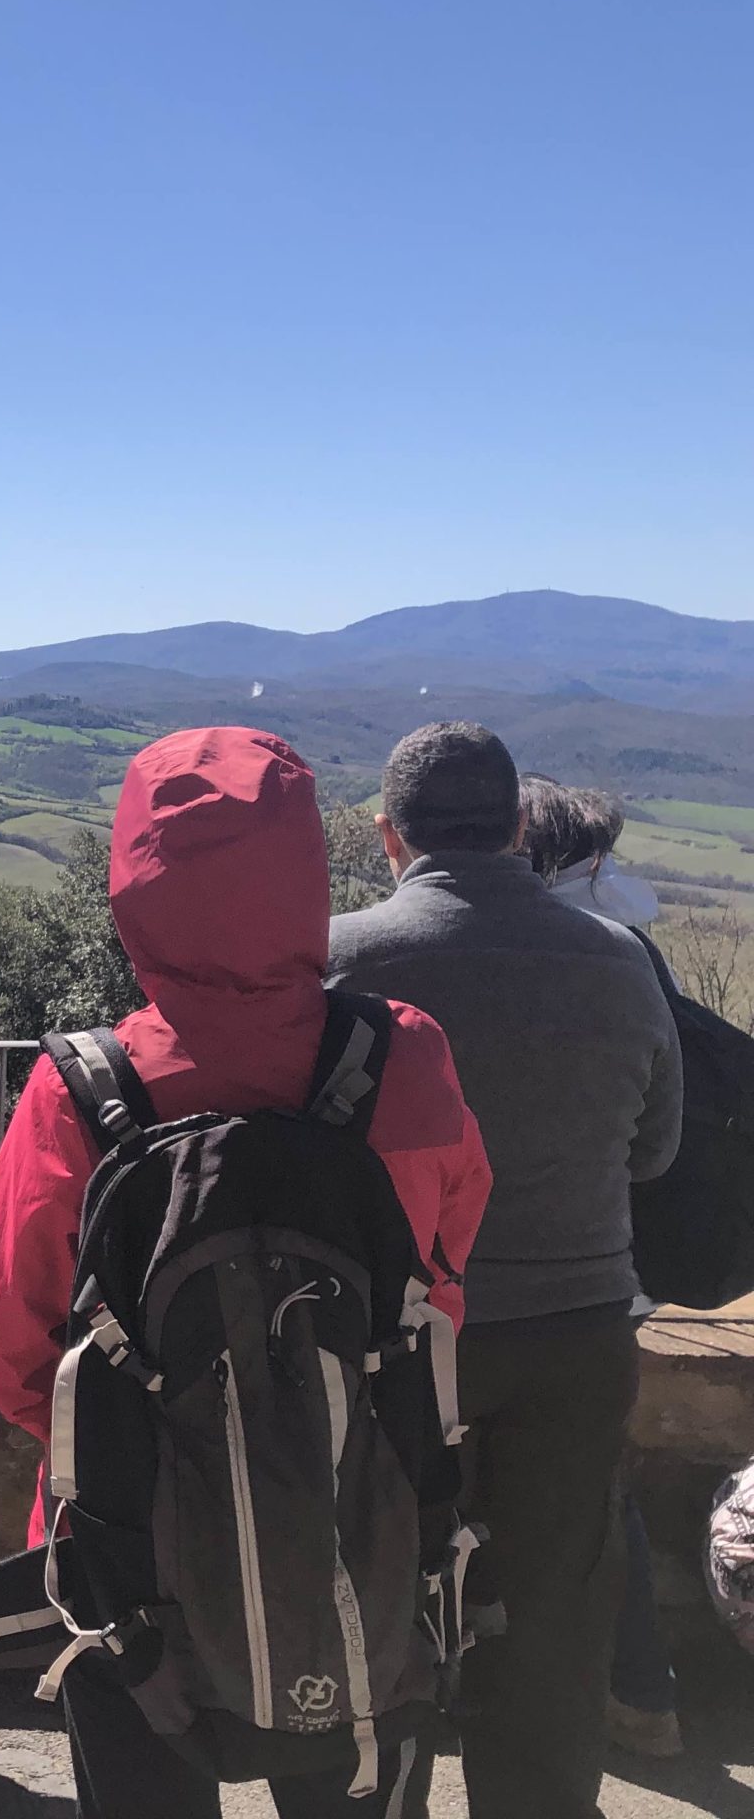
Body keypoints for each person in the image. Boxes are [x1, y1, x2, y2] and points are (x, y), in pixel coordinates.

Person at [0, 726, 492, 1819]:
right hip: (367, 1536)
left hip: (131, 1571)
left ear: (134, 879)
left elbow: (16, 1352)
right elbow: (440, 1281)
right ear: (306, 869)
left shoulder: (81, 1089)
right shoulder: (405, 1054)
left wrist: (170, 1459)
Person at [329, 724, 682, 1819]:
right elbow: (656, 1151)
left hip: (392, 1336)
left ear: (387, 835)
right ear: (521, 827)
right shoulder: (619, 962)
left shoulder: (338, 960)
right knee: (555, 1612)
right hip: (575, 1330)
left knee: (372, 1594)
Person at [519, 775, 682, 1760]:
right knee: (590, 1488)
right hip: (602, 1272)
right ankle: (638, 1692)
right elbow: (657, 1144)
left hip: (468, 1271)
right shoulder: (631, 956)